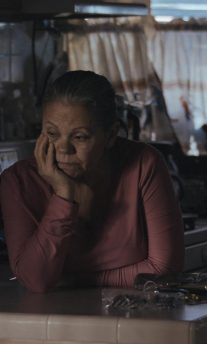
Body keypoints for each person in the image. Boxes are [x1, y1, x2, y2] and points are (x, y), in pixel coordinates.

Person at [0, 70, 184, 293]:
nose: (63, 149)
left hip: (134, 320)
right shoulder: (18, 182)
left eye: (80, 137)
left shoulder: (144, 164)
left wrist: (76, 281)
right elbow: (35, 280)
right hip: (51, 324)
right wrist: (63, 196)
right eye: (52, 133)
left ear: (111, 135)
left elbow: (164, 269)